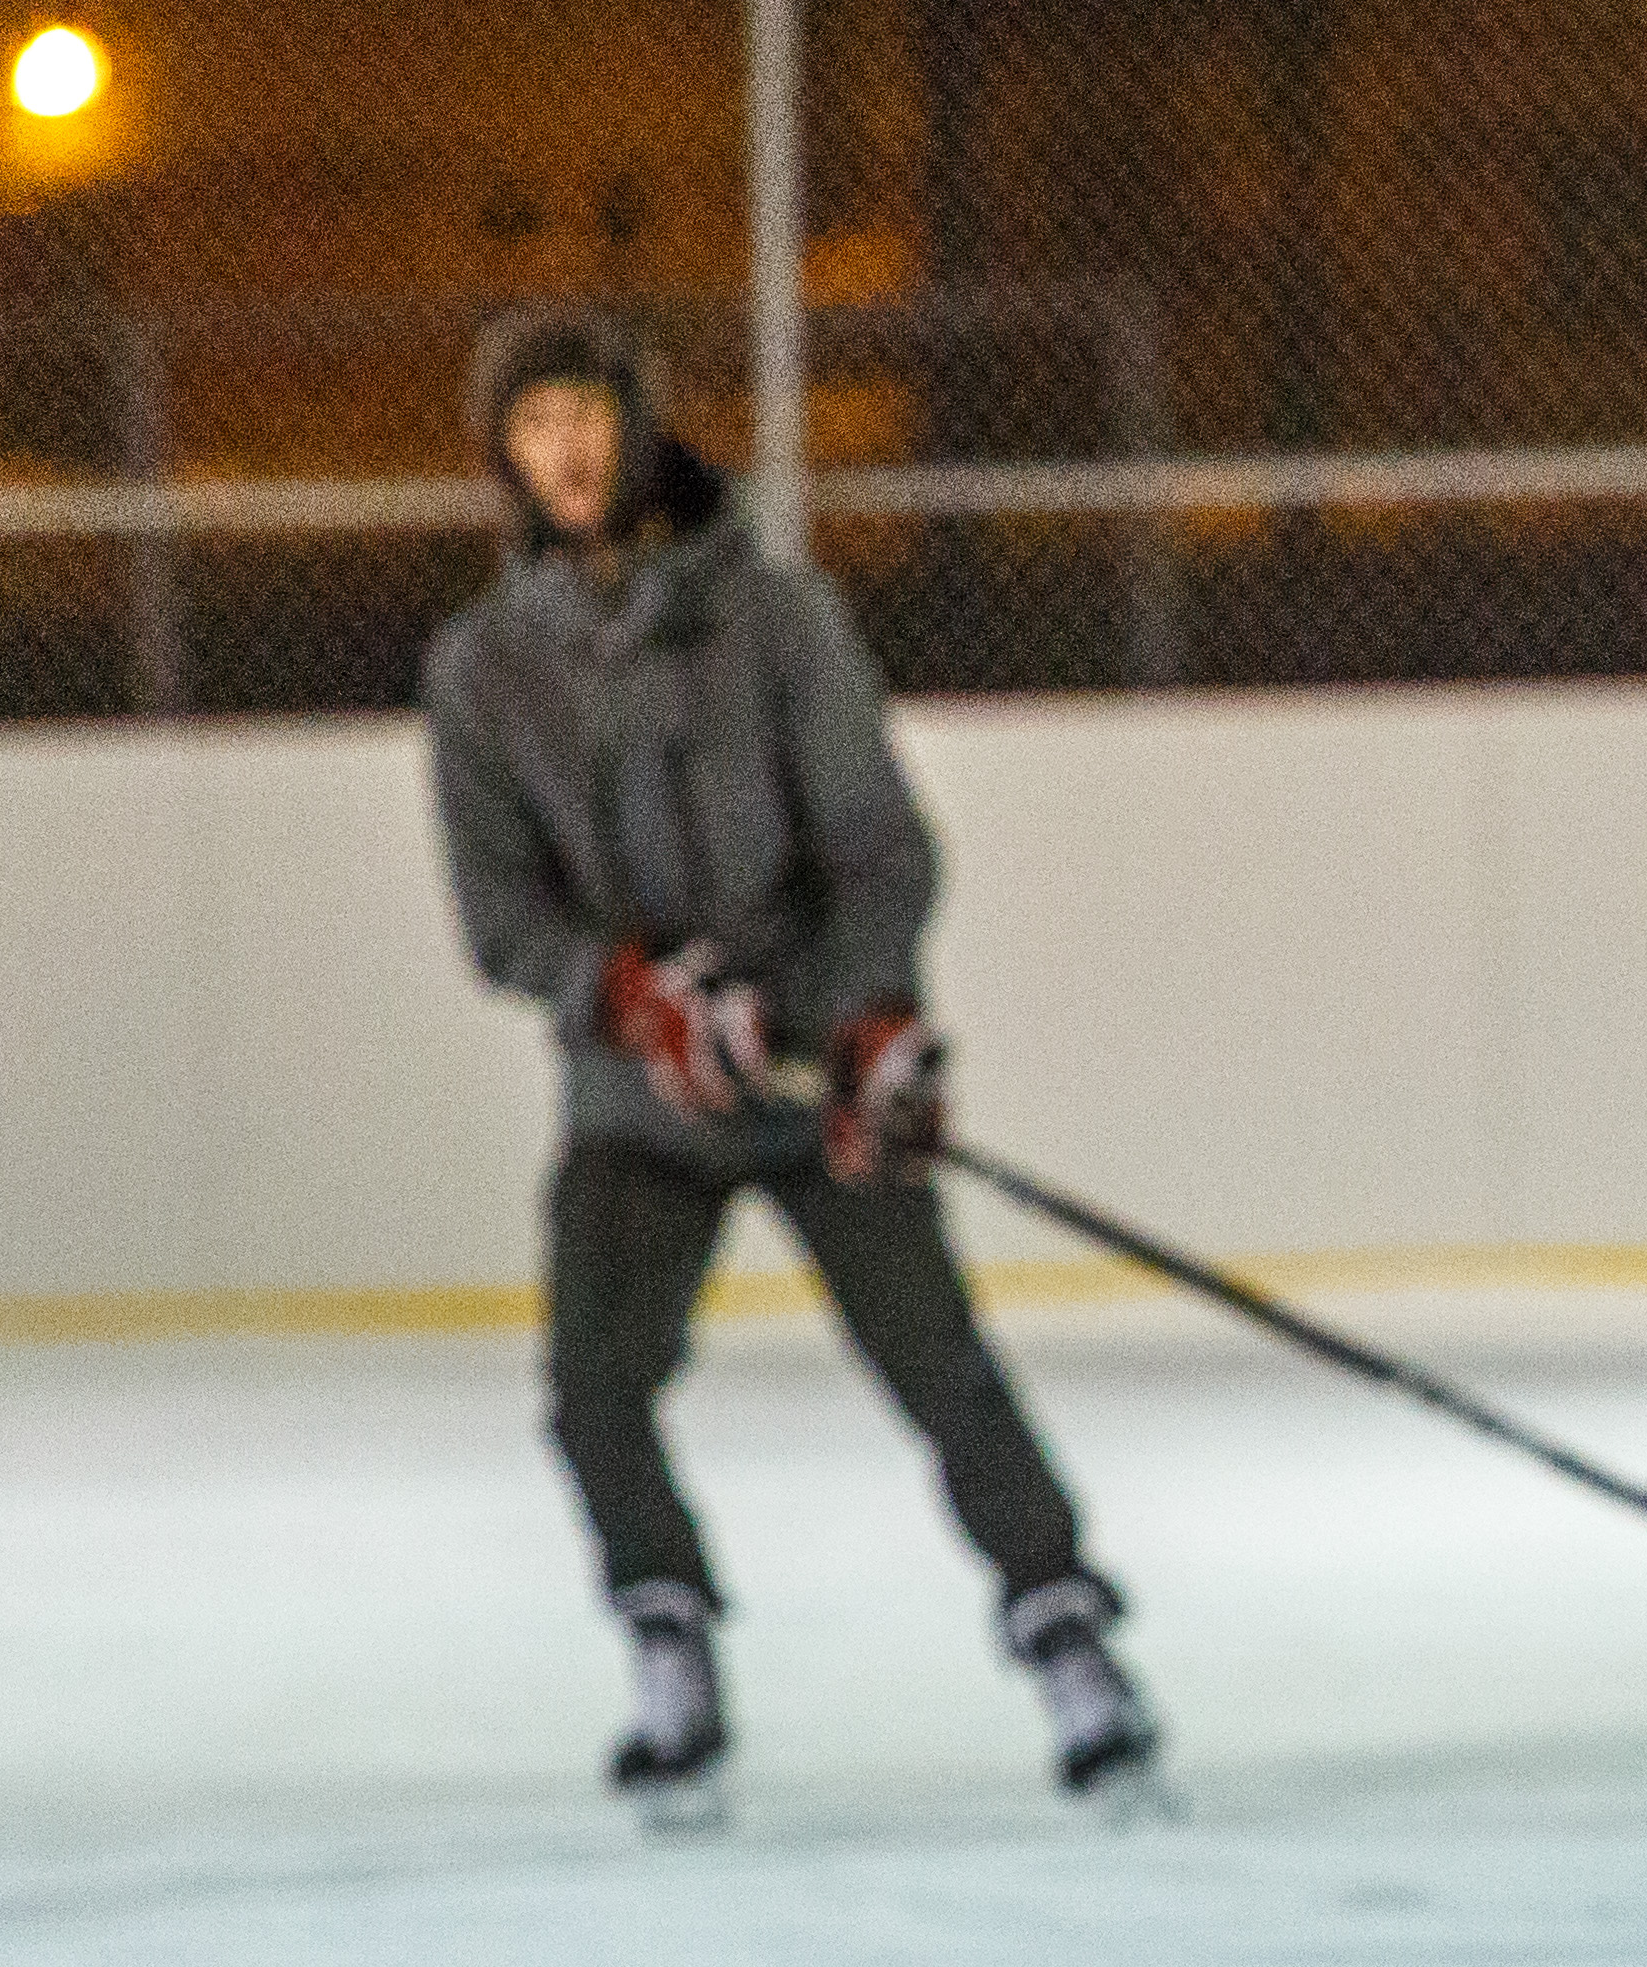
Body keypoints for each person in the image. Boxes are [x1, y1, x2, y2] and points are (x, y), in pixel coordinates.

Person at [421, 305, 1158, 1820]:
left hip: (814, 1075)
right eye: (530, 423)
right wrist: (626, 998)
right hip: (641, 1107)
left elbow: (881, 848)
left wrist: (867, 1013)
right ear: (503, 454)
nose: (562, 449)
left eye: (584, 413)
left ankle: (1067, 1633)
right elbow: (502, 916)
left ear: (639, 424)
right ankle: (669, 1642)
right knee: (592, 1385)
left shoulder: (780, 620)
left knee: (938, 1365)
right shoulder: (483, 672)